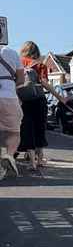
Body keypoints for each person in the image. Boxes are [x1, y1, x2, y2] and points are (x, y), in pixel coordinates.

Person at [18, 40, 63, 171]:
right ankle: (40, 160)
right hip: (39, 100)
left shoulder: (19, 64)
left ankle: (32, 162)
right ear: (36, 52)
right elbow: (44, 83)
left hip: (25, 101)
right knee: (40, 129)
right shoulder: (40, 66)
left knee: (28, 130)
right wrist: (59, 97)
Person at [0, 45, 25, 178]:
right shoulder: (11, 52)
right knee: (13, 132)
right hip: (8, 96)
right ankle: (9, 156)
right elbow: (21, 79)